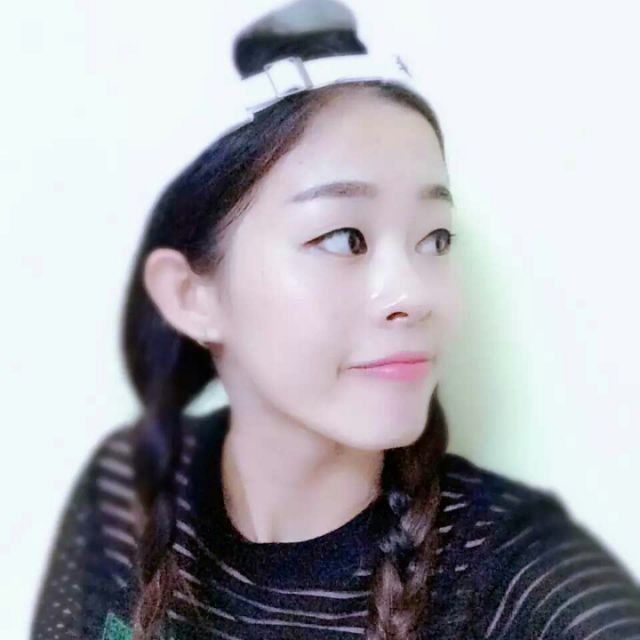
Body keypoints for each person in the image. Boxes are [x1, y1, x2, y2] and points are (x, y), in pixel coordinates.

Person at [29, 1, 640, 639]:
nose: (413, 294)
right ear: (192, 296)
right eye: (346, 238)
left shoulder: (523, 573)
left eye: (434, 238)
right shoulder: (127, 492)